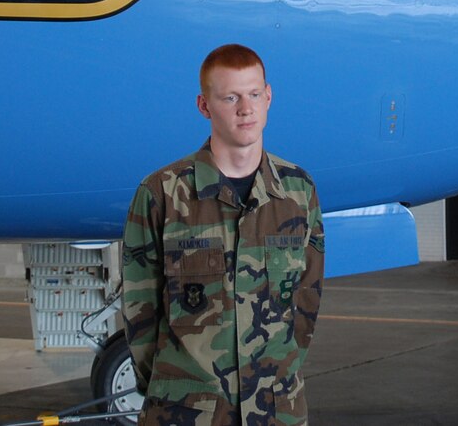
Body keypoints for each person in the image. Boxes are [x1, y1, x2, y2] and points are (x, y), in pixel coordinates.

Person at [121, 43, 325, 426]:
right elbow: (139, 312)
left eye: (253, 95)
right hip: (186, 413)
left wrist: (279, 374)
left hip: (275, 410)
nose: (245, 109)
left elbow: (307, 299)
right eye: (230, 97)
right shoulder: (162, 194)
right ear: (204, 106)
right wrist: (174, 388)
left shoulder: (298, 192)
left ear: (269, 97)